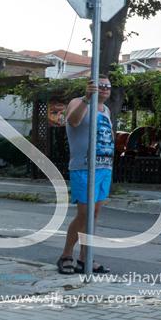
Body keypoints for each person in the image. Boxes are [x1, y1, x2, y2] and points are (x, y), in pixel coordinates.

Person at [57, 76, 114, 275]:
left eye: (108, 86)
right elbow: (72, 121)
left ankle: (84, 259)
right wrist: (87, 99)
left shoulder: (106, 110)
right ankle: (66, 256)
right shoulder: (79, 102)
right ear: (90, 87)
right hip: (84, 167)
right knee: (84, 215)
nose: (105, 89)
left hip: (104, 168)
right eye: (101, 86)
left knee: (94, 215)